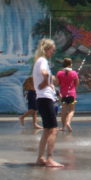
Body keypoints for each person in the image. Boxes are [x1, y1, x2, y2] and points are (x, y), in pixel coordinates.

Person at [32, 38, 63, 167]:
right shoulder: (43, 60)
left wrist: (52, 87)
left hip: (42, 99)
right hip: (45, 99)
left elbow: (45, 76)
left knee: (47, 130)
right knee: (53, 130)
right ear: (46, 49)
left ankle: (40, 158)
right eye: (52, 50)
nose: (53, 52)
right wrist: (46, 82)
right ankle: (49, 159)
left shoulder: (38, 61)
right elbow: (45, 73)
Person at [56, 57, 79, 133]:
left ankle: (63, 127)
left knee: (63, 111)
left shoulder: (59, 73)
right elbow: (77, 83)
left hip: (63, 95)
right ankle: (68, 122)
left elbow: (57, 83)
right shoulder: (74, 73)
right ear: (70, 64)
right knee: (72, 110)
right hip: (72, 95)